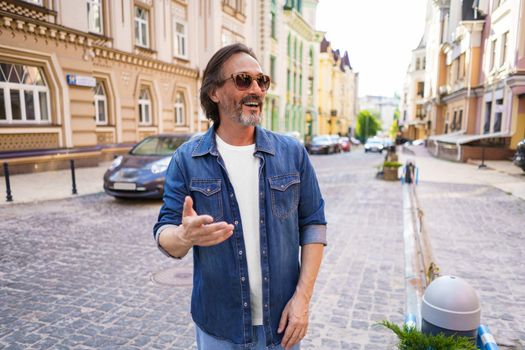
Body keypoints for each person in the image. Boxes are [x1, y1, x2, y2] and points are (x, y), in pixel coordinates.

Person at [153, 43, 327, 350]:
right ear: (215, 92)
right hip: (219, 326)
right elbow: (165, 233)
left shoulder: (292, 154)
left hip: (282, 326)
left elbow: (313, 225)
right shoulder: (187, 159)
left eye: (262, 81)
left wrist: (302, 299)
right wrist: (184, 235)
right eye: (243, 80)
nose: (257, 90)